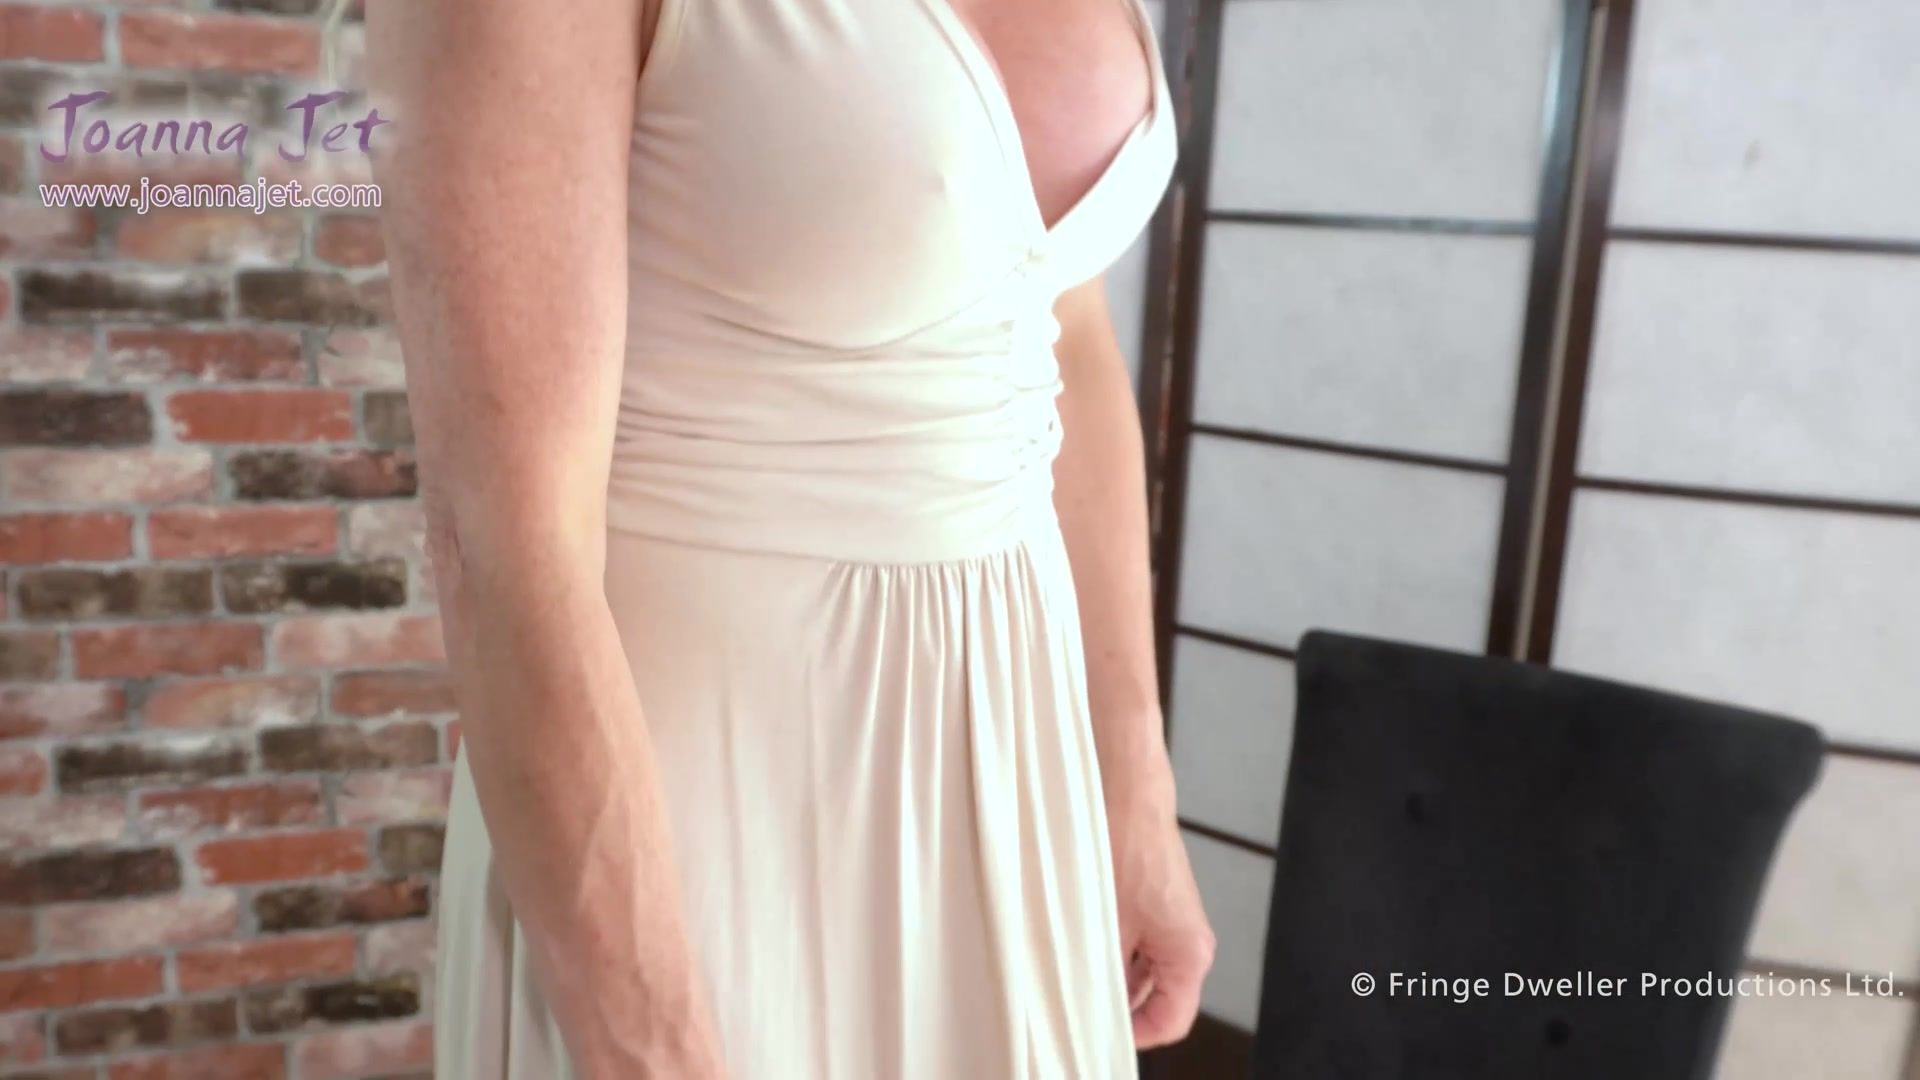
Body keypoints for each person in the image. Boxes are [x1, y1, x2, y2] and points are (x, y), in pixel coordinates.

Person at [361, 0, 1214, 1072]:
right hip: (693, 818)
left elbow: (1063, 330)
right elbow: (503, 544)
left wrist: (1135, 787)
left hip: (1016, 774)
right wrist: (654, 1048)